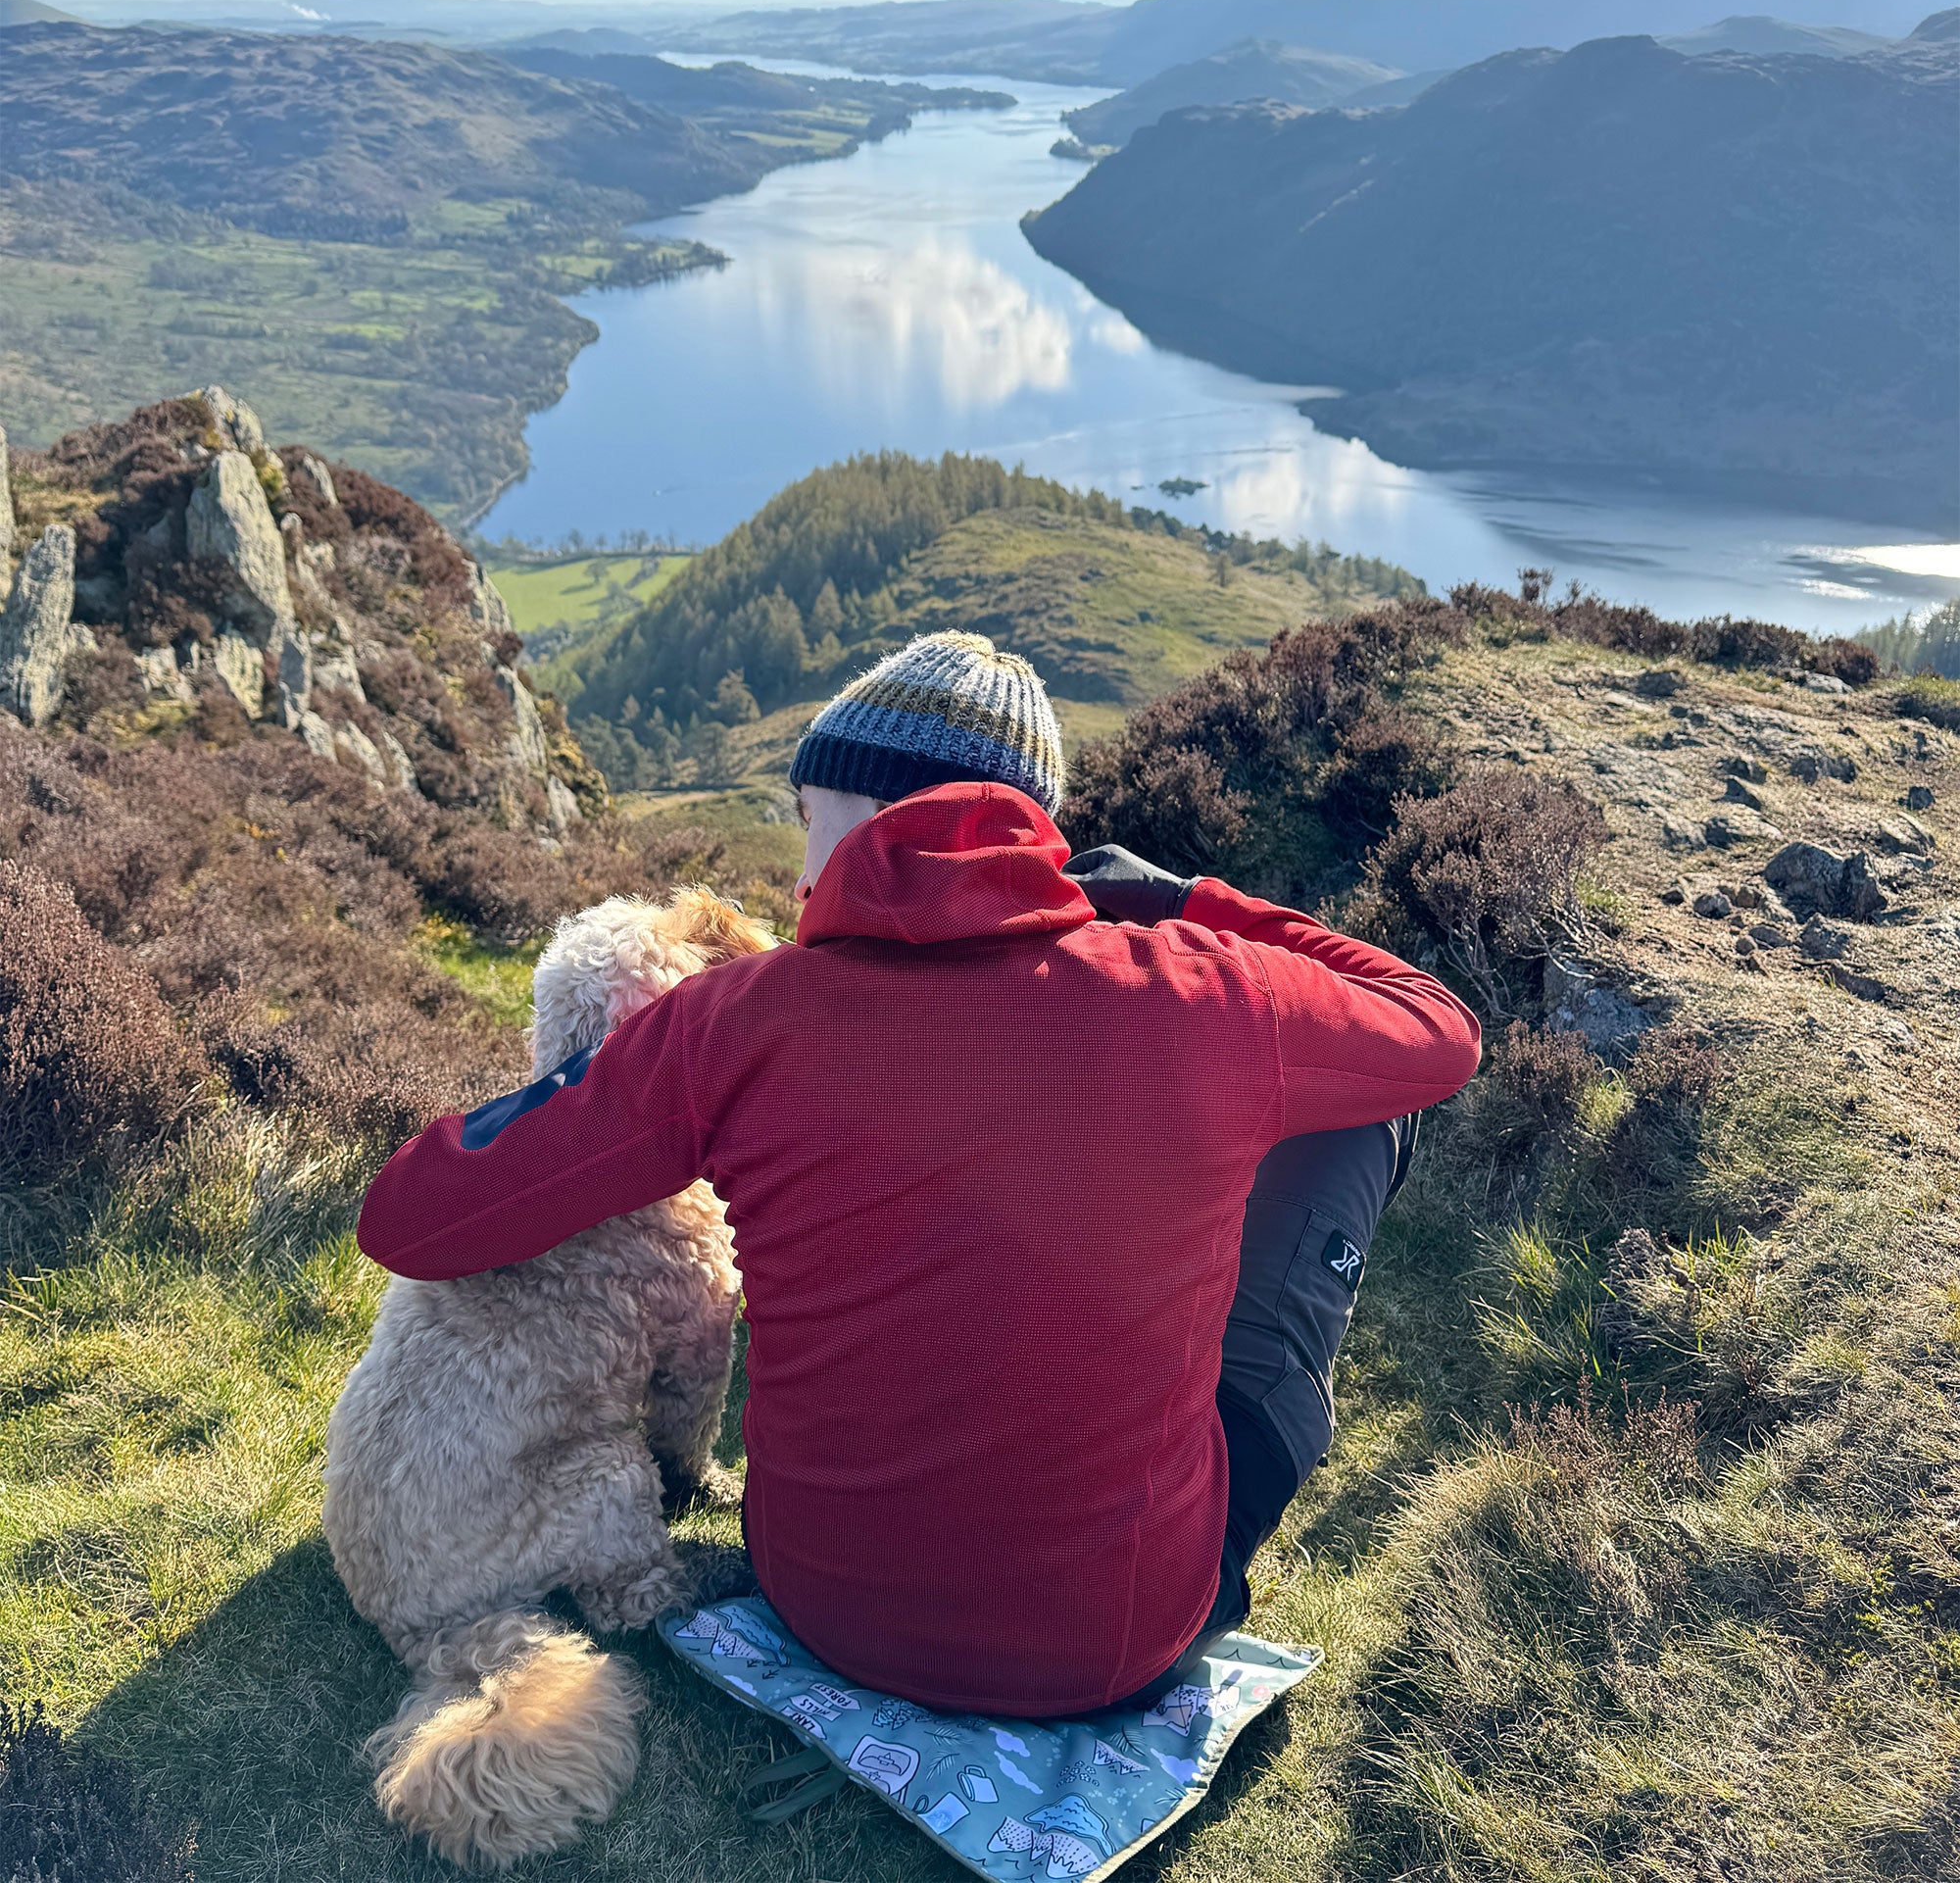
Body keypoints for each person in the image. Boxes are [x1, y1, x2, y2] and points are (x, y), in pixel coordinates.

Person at [357, 631, 1480, 1717]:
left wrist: (596, 1090)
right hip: (1117, 1640)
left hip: (821, 1604)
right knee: (1362, 1114)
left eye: (808, 820)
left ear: (878, 806)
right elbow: (1436, 1027)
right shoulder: (1203, 988)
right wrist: (1181, 900)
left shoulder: (732, 1022)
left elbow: (411, 1216)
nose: (799, 878)